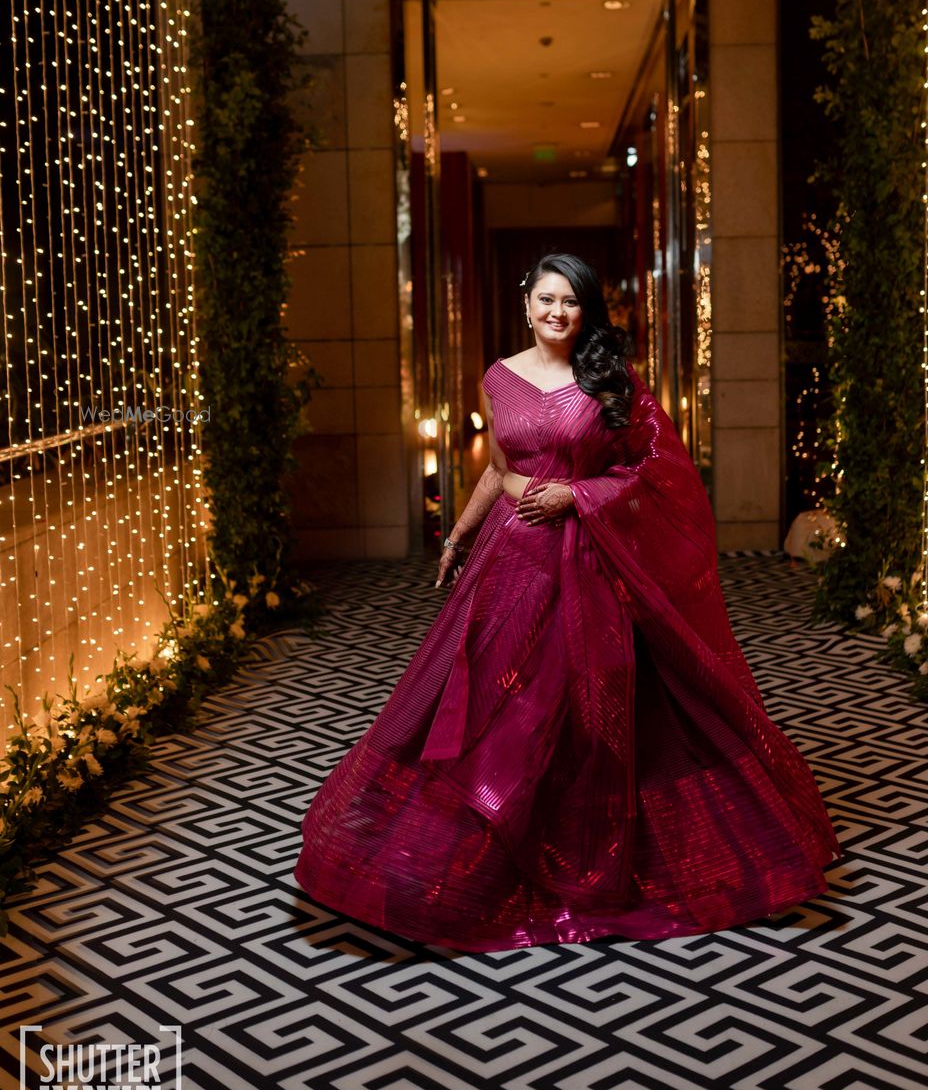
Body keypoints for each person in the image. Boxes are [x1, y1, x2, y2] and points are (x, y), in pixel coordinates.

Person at [294, 252, 842, 950]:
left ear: (586, 311)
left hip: (589, 565)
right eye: (547, 298)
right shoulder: (499, 375)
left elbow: (656, 469)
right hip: (510, 560)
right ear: (527, 301)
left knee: (585, 709)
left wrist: (580, 495)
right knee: (493, 701)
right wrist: (459, 533)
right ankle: (471, 869)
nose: (558, 312)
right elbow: (499, 468)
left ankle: (589, 860)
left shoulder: (609, 379)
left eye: (572, 302)